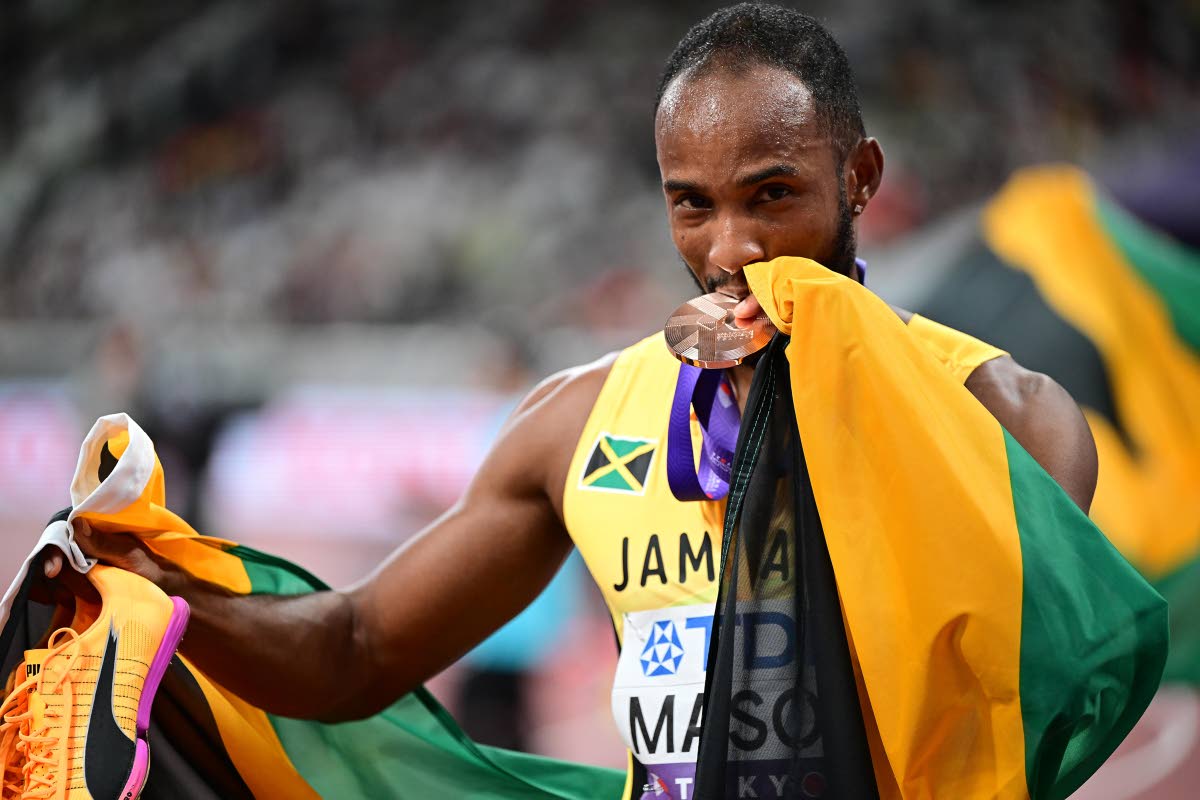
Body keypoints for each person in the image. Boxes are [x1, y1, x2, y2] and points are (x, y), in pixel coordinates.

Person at [43, 5, 1098, 798]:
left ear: (859, 177)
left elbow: (1020, 701)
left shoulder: (1007, 420)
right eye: (693, 205)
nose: (730, 251)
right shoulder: (578, 424)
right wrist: (153, 586)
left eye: (773, 193)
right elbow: (356, 646)